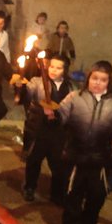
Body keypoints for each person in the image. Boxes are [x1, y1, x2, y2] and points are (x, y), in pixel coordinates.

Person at [53, 60, 112, 224]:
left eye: (103, 80)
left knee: (96, 197)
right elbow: (60, 118)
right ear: (89, 78)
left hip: (100, 160)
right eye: (94, 78)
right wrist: (52, 115)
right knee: (73, 195)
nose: (97, 83)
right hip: (75, 156)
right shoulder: (75, 97)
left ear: (109, 82)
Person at [15, 54, 73, 203]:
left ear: (65, 70)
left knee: (58, 164)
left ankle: (57, 193)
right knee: (34, 160)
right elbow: (25, 97)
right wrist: (20, 88)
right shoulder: (37, 82)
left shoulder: (71, 87)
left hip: (59, 131)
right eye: (52, 66)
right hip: (39, 129)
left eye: (58, 68)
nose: (53, 70)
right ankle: (29, 187)